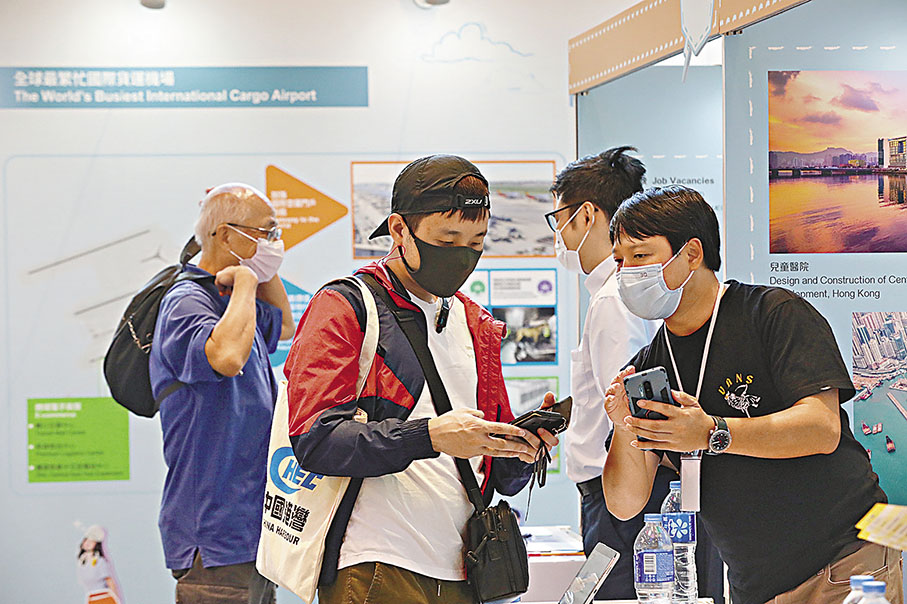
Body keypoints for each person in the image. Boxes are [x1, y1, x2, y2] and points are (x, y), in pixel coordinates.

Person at [603, 185, 901, 604]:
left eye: (640, 256)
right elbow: (623, 503)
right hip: (753, 584)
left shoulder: (773, 313)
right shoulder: (650, 365)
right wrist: (622, 426)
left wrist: (711, 433)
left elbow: (822, 427)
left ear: (692, 253)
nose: (626, 274)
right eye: (619, 261)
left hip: (844, 563)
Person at [284, 154, 559, 604]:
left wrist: (523, 448)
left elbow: (499, 476)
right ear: (399, 230)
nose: (463, 254)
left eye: (477, 240)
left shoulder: (476, 323)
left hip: (469, 568)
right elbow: (317, 440)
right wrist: (430, 436)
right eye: (448, 237)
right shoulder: (346, 307)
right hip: (376, 566)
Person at [150, 183, 295, 604]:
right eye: (265, 233)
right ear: (226, 236)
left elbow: (282, 326)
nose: (274, 243)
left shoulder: (228, 298)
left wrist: (258, 271)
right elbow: (227, 357)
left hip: (249, 529)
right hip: (214, 532)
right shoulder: (187, 300)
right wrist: (248, 282)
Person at [546, 147, 664, 599]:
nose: (558, 233)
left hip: (622, 495)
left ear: (587, 215)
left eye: (559, 218)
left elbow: (631, 404)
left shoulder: (614, 298)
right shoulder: (613, 292)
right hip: (619, 492)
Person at [76, 525, 123, 604]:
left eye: (92, 541)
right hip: (91, 598)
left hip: (104, 598)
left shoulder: (100, 561)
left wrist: (118, 600)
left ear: (96, 544)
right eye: (86, 540)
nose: (88, 543)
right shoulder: (82, 562)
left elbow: (110, 582)